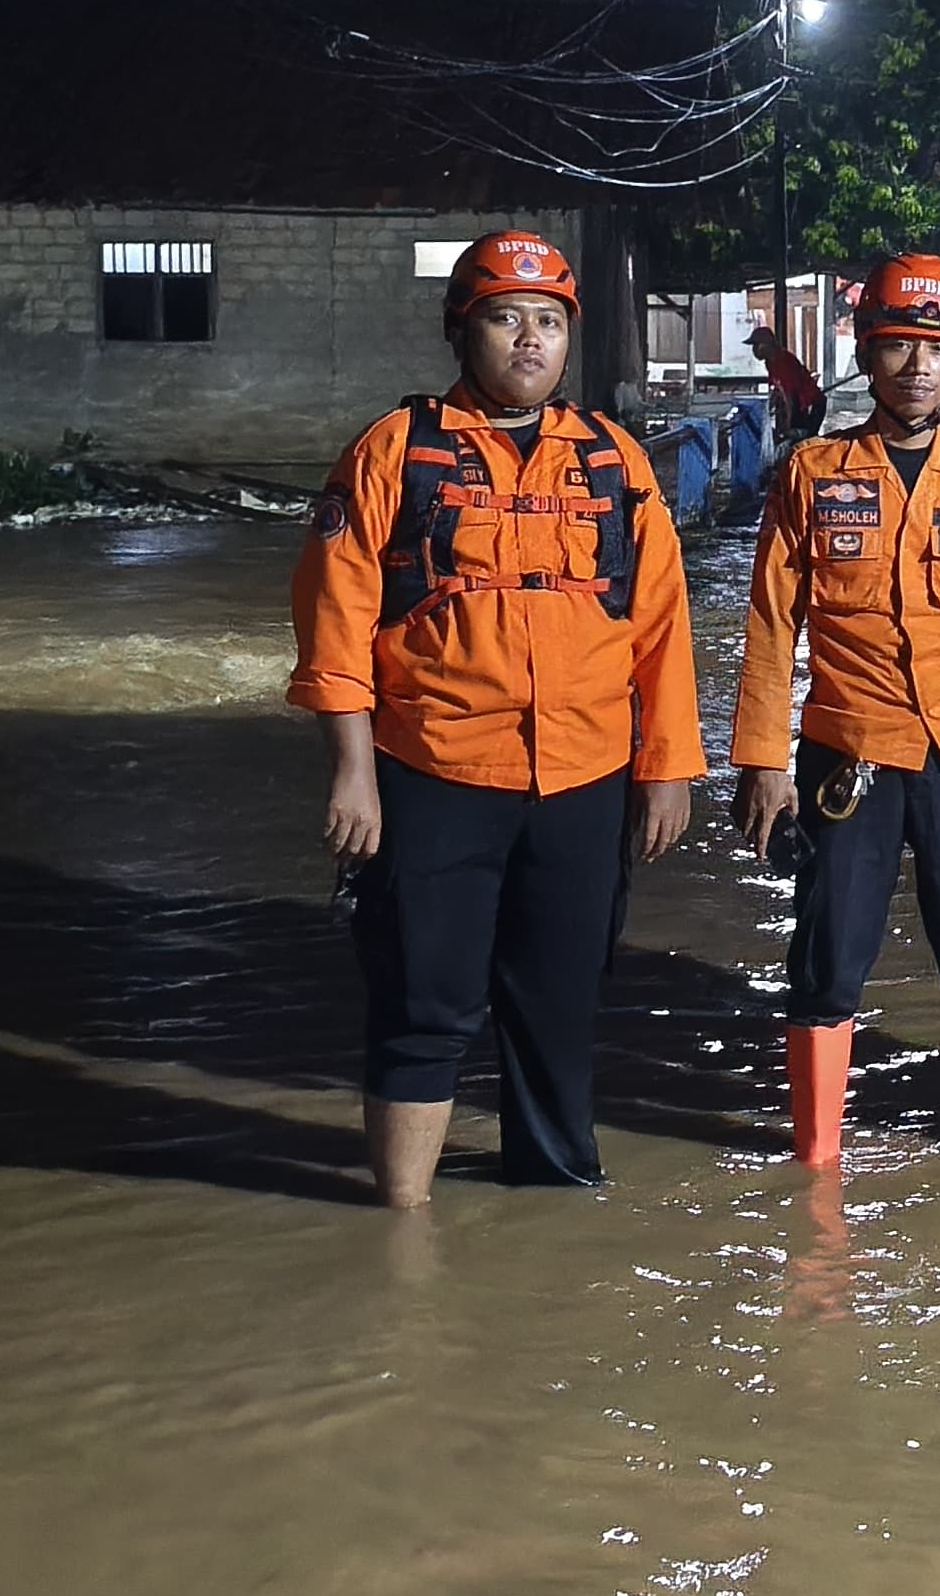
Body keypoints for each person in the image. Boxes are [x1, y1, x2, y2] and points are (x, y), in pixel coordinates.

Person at [288, 229, 705, 1205]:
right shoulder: (395, 453)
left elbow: (662, 633)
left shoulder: (613, 462)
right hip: (433, 775)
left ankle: (555, 1207)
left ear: (570, 340)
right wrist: (352, 771)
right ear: (460, 328)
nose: (529, 340)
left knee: (559, 1008)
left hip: (583, 781)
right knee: (422, 1003)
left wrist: (667, 770)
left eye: (549, 322)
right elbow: (333, 624)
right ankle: (400, 1228)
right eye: (506, 318)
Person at [733, 253, 940, 1166]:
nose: (918, 365)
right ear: (868, 352)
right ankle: (816, 1169)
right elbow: (770, 627)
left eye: (937, 349)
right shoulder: (811, 475)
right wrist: (762, 763)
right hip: (849, 752)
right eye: (899, 346)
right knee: (827, 956)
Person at [748, 323, 828, 443]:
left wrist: (787, 425)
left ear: (767, 345)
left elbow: (790, 396)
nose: (754, 350)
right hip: (797, 405)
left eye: (756, 345)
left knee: (802, 444)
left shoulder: (783, 361)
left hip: (810, 406)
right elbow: (777, 391)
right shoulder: (770, 363)